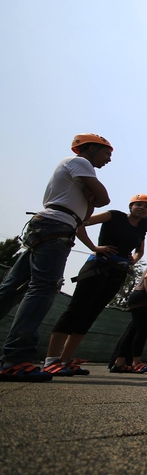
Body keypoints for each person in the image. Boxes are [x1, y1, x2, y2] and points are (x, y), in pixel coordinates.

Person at [0, 133, 112, 382]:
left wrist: (90, 202)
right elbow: (104, 198)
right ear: (90, 149)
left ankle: (14, 357)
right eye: (107, 153)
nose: (109, 159)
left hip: (52, 226)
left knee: (11, 288)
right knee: (42, 289)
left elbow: (84, 216)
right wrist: (93, 195)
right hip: (55, 228)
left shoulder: (74, 177)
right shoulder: (80, 163)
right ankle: (15, 359)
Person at [44, 193, 147, 376]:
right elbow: (81, 223)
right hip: (97, 266)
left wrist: (133, 260)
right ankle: (51, 360)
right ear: (131, 205)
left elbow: (140, 250)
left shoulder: (142, 227)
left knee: (91, 314)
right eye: (138, 204)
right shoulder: (114, 215)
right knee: (76, 310)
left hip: (118, 273)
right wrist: (93, 247)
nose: (142, 208)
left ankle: (65, 360)